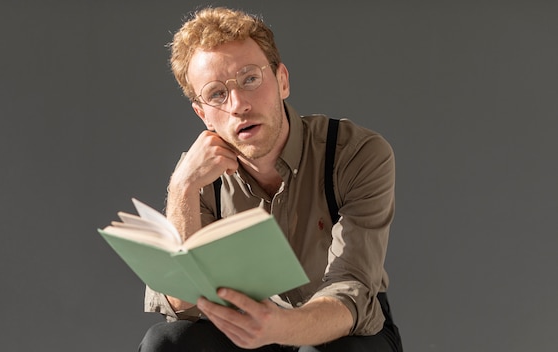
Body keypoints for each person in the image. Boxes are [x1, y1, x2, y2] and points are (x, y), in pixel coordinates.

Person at [139, 6, 403, 352]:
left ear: (282, 81)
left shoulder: (355, 153)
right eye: (217, 94)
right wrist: (181, 188)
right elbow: (181, 301)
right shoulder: (198, 175)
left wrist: (280, 327)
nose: (238, 105)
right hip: (250, 331)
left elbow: (352, 291)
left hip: (340, 328)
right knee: (166, 342)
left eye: (250, 79)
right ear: (202, 114)